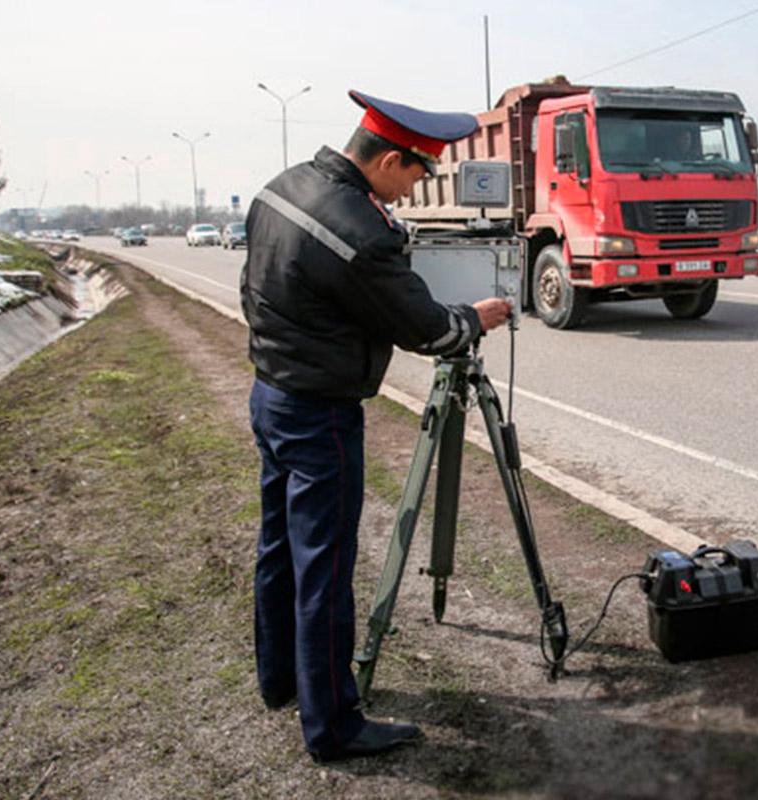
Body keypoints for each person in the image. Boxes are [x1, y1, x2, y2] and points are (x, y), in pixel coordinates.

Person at [239, 90, 512, 763]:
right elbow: (428, 329)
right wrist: (477, 316)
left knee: (280, 549)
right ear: (390, 158)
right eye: (418, 174)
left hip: (270, 395)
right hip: (320, 416)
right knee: (324, 569)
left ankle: (282, 680)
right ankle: (331, 724)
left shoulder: (283, 187)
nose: (417, 189)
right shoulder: (359, 233)